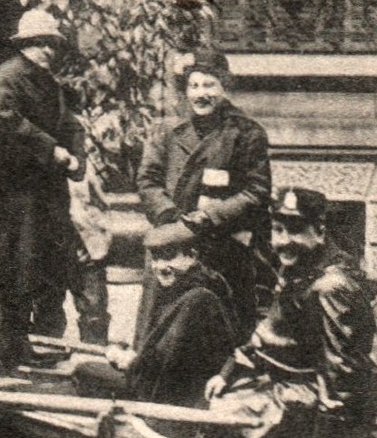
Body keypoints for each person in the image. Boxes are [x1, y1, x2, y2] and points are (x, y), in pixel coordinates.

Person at [205, 187, 377, 438]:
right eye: (278, 230)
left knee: (227, 416)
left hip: (335, 396)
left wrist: (330, 432)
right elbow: (269, 332)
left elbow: (343, 363)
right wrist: (227, 373)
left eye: (295, 231)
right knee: (219, 399)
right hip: (299, 380)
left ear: (319, 231)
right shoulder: (297, 268)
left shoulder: (331, 286)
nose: (283, 241)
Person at [0, 7, 84, 374]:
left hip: (45, 191)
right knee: (16, 266)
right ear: (24, 44)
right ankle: (10, 350)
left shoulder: (48, 82)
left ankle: (30, 346)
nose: (47, 50)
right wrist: (51, 149)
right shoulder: (6, 78)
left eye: (51, 43)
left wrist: (75, 154)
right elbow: (2, 123)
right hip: (13, 192)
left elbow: (70, 123)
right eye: (39, 43)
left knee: (42, 267)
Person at [135, 50, 271, 343]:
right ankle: (151, 367)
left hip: (222, 241)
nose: (201, 94)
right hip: (172, 238)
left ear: (224, 87)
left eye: (209, 85)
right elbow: (147, 180)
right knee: (160, 320)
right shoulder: (167, 131)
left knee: (221, 320)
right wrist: (170, 217)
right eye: (194, 86)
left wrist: (211, 216)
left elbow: (257, 191)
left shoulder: (246, 133)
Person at [73, 221, 239, 409]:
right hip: (165, 380)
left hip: (175, 391)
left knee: (84, 372)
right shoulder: (182, 284)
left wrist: (129, 361)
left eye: (168, 257)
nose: (160, 266)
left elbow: (170, 361)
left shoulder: (200, 297)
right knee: (87, 371)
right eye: (156, 258)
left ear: (192, 256)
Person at [66, 136, 114, 347]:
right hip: (49, 243)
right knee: (46, 309)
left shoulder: (82, 157)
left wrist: (98, 234)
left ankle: (93, 357)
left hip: (85, 243)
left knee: (94, 309)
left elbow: (102, 203)